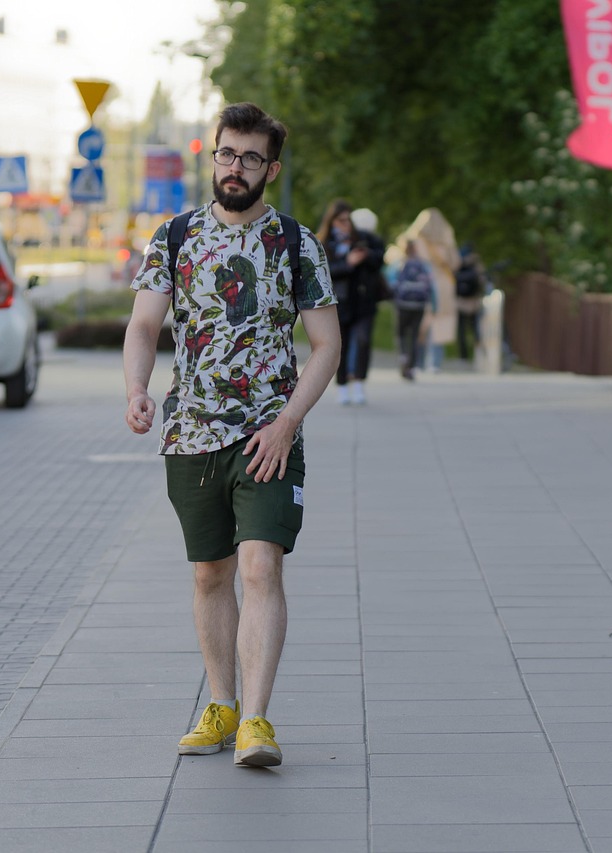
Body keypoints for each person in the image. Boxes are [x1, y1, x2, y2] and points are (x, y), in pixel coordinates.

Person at [123, 102, 341, 768]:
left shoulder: (296, 243)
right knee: (210, 572)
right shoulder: (175, 237)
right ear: (213, 155)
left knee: (260, 565)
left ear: (270, 168)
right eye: (226, 153)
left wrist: (287, 422)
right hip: (190, 434)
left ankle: (255, 720)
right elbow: (143, 326)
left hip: (268, 435)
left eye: (250, 157)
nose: (235, 167)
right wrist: (136, 388)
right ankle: (220, 705)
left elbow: (327, 345)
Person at [317, 199, 386, 404]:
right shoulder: (323, 243)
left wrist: (366, 255)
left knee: (363, 340)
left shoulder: (363, 238)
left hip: (364, 299)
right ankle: (342, 385)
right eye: (341, 220)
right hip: (339, 302)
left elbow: (380, 258)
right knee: (341, 345)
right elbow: (322, 272)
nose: (346, 224)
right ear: (332, 221)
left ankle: (359, 382)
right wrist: (348, 263)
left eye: (348, 220)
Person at [400, 209, 459, 373]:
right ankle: (435, 363)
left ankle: (417, 362)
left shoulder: (415, 240)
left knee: (420, 324)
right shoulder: (446, 241)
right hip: (443, 285)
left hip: (421, 285)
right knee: (441, 323)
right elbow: (455, 263)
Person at [392, 238, 436, 380]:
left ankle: (403, 356)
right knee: (415, 335)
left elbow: (391, 282)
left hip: (402, 304)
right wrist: (434, 304)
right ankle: (411, 366)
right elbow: (431, 285)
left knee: (401, 334)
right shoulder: (423, 264)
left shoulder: (399, 263)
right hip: (419, 304)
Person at [454, 243, 486, 363]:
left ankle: (472, 355)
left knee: (472, 330)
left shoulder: (470, 265)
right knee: (467, 330)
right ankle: (467, 355)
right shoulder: (465, 265)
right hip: (465, 301)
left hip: (468, 301)